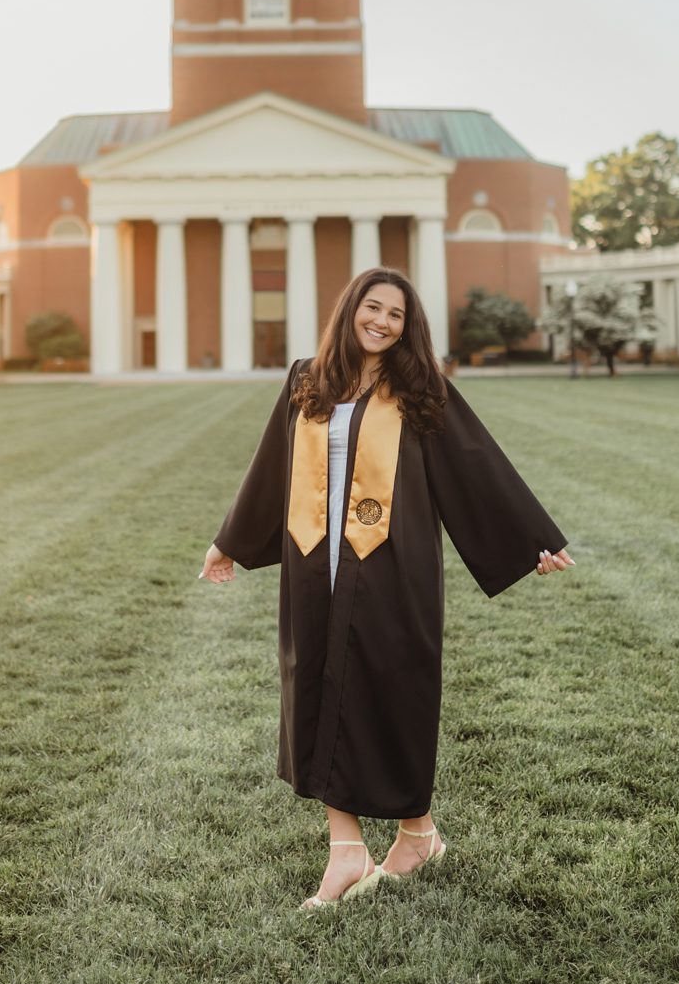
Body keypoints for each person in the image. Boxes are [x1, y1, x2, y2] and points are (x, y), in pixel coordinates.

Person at [198, 267, 574, 911]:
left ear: (407, 327)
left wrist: (528, 540)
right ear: (350, 310)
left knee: (396, 690)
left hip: (392, 565)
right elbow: (271, 465)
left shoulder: (420, 389)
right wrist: (230, 539)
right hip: (314, 563)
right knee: (315, 685)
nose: (382, 321)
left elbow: (476, 467)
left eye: (396, 315)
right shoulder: (306, 380)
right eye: (372, 308)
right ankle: (347, 849)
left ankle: (416, 834)